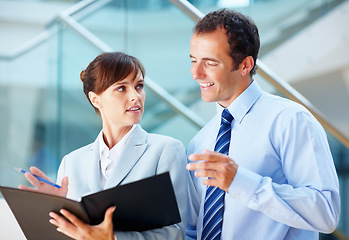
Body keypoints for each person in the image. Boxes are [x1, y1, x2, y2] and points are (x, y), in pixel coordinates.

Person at [185, 8, 340, 240]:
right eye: (194, 60)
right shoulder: (200, 141)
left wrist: (240, 182)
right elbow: (193, 229)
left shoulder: (290, 120)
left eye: (210, 62)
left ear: (245, 65)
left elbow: (326, 213)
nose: (196, 73)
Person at [19, 52, 187, 240]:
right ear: (95, 99)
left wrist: (112, 238)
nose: (135, 96)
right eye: (121, 88)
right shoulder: (71, 162)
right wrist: (50, 211)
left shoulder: (166, 150)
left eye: (139, 86)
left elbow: (179, 232)